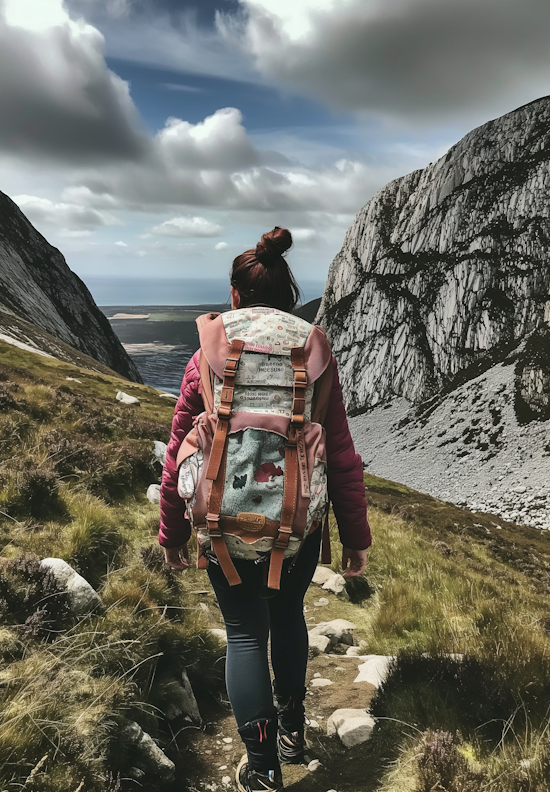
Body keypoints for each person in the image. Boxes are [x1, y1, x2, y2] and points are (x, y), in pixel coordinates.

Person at [159, 227, 371, 792]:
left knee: (245, 636)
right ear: (288, 294)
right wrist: (355, 537)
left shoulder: (208, 352)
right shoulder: (316, 351)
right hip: (296, 528)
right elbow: (343, 455)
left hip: (221, 529)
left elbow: (182, 441)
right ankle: (294, 732)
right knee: (288, 618)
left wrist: (173, 532)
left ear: (234, 296)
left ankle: (261, 770)